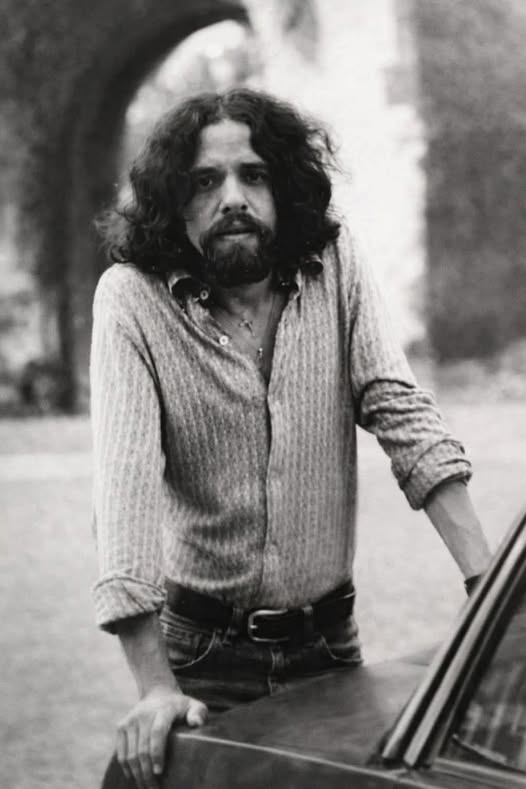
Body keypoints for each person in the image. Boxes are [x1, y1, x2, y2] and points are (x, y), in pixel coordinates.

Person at [90, 88, 491, 789]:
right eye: (205, 181)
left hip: (329, 649)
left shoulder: (334, 263)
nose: (233, 198)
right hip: (201, 660)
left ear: (283, 185)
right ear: (173, 201)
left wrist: (488, 587)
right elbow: (124, 490)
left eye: (253, 175)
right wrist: (154, 686)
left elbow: (400, 410)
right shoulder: (131, 299)